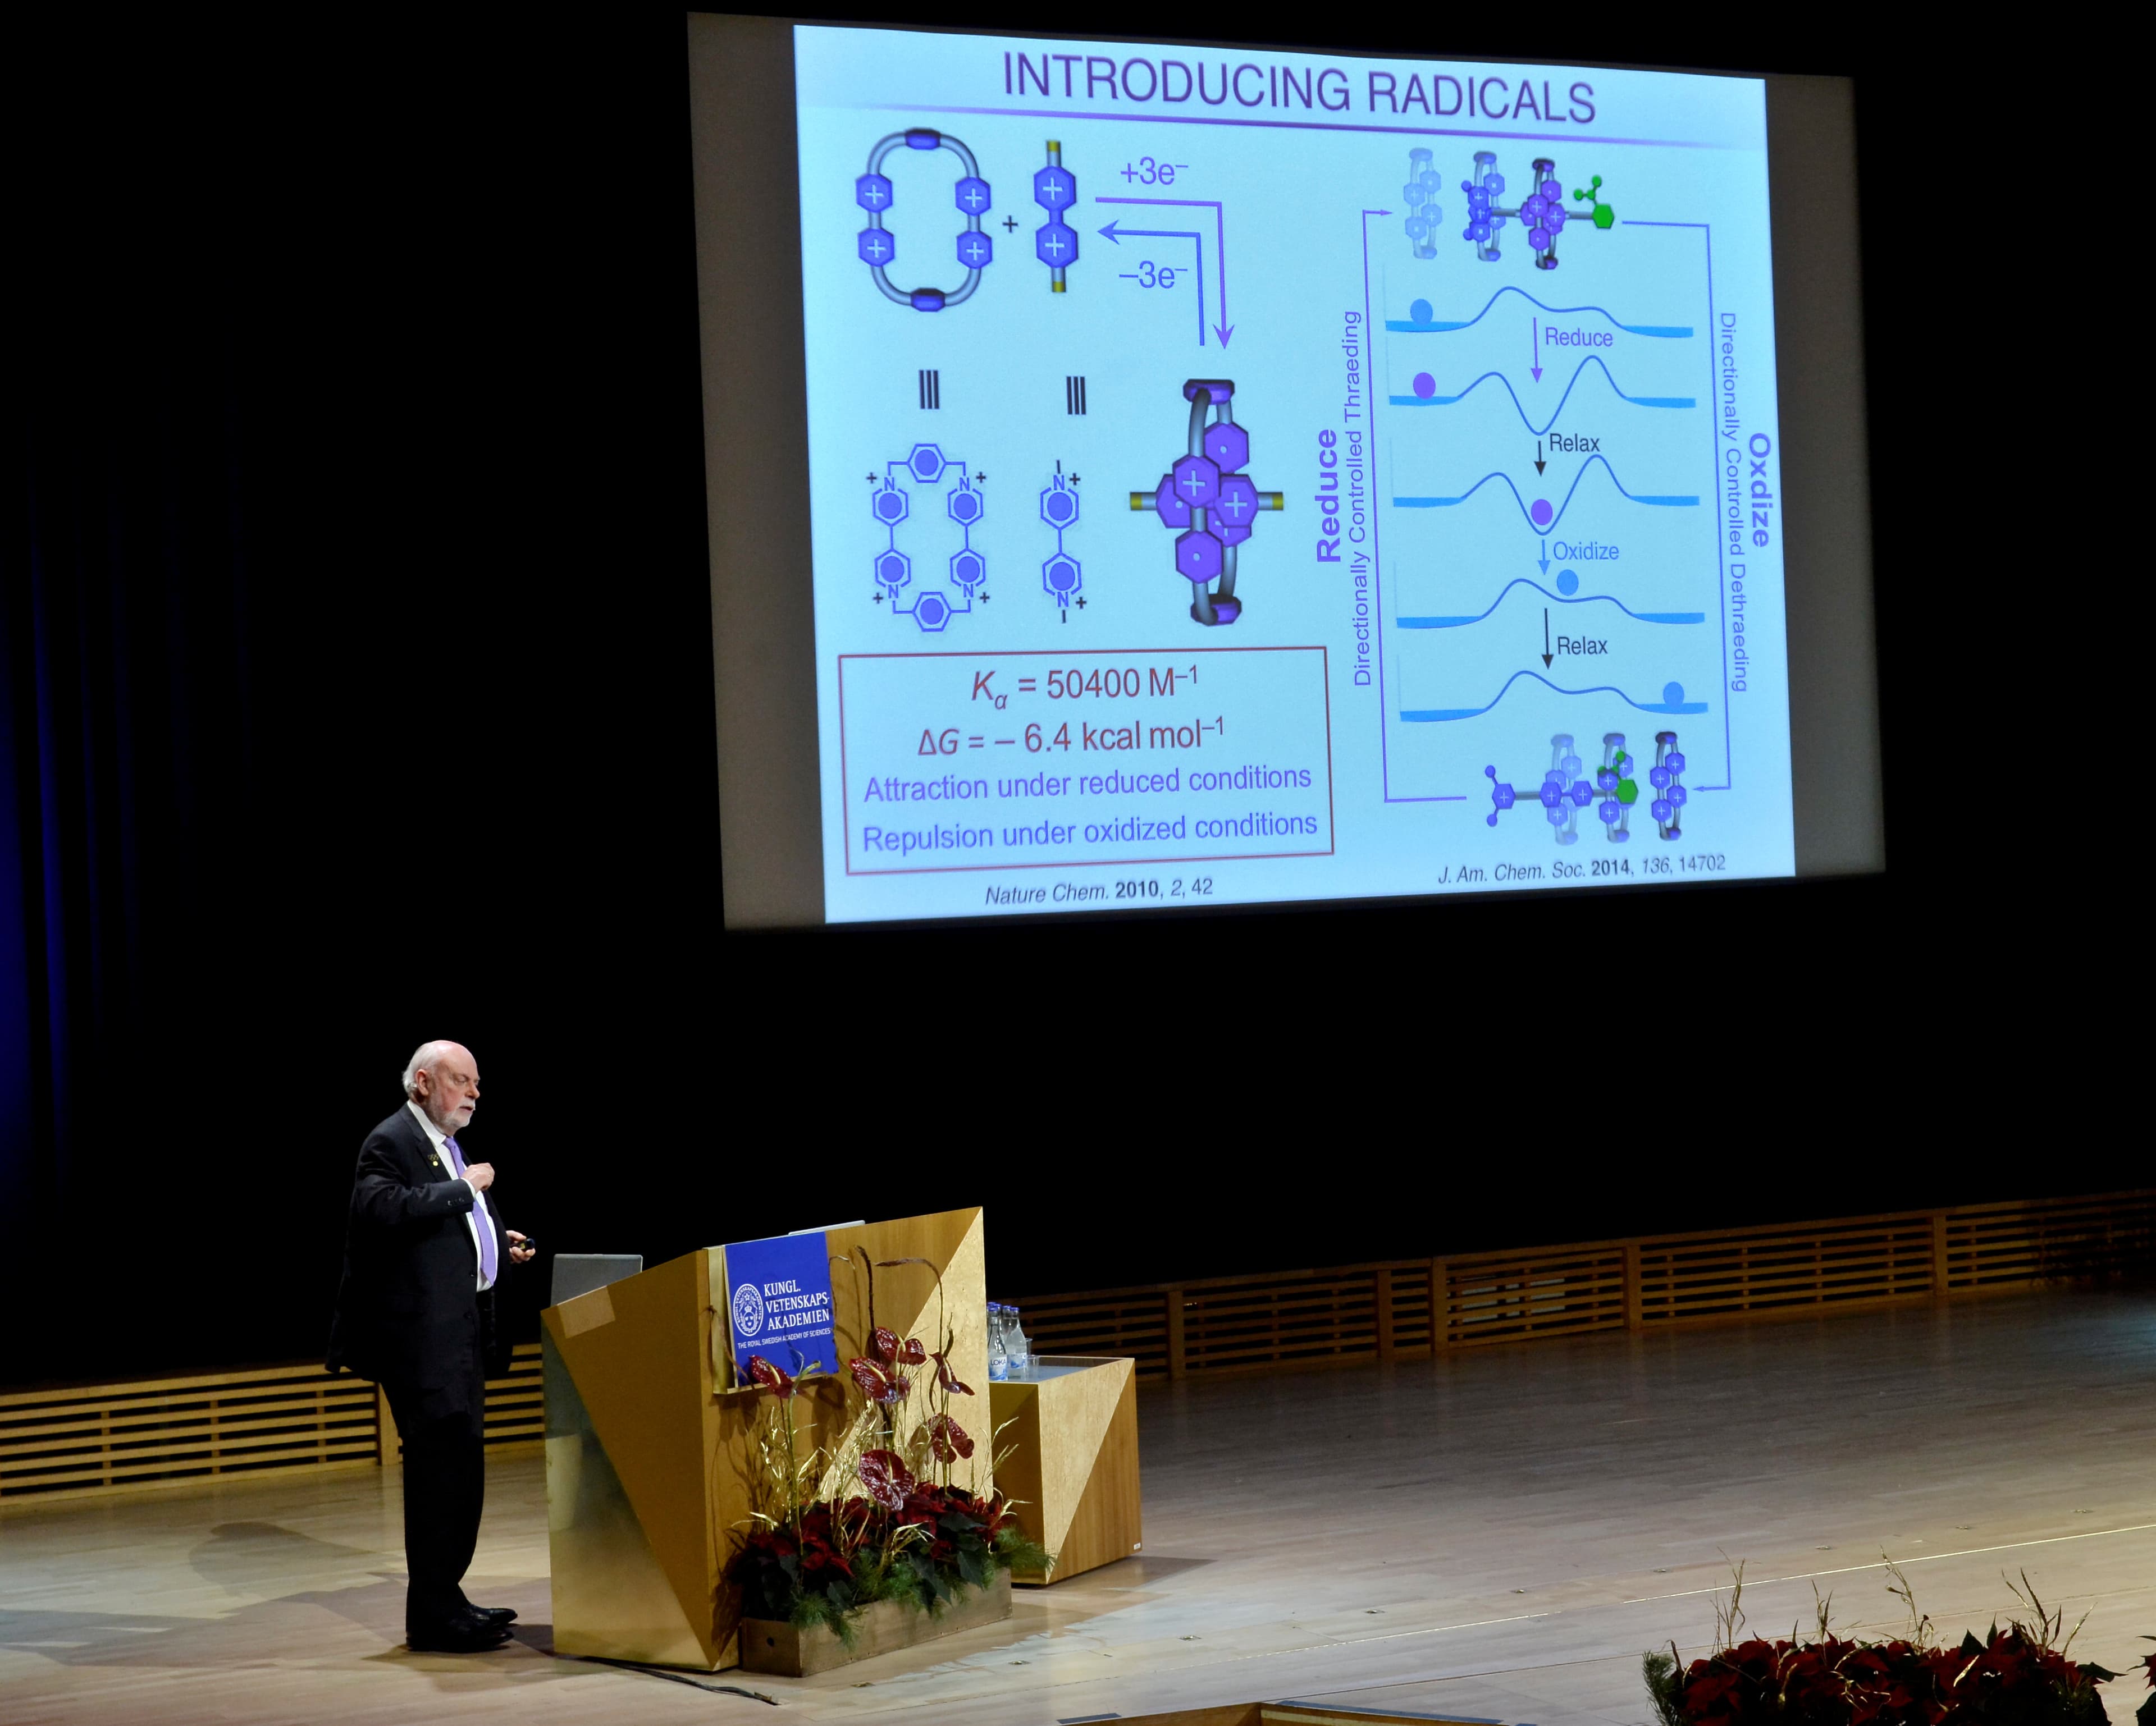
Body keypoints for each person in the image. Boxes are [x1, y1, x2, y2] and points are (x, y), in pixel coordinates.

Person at [328, 1039, 535, 1653]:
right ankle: (434, 1617)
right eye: (461, 1080)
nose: (474, 1093)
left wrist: (496, 1238)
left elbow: (440, 1229)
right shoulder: (391, 1140)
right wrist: (467, 1190)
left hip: (461, 1335)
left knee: (460, 1471)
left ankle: (447, 1600)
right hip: (420, 1342)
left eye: (476, 1083)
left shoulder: (445, 1146)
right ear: (423, 1082)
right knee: (438, 1474)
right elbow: (381, 1208)